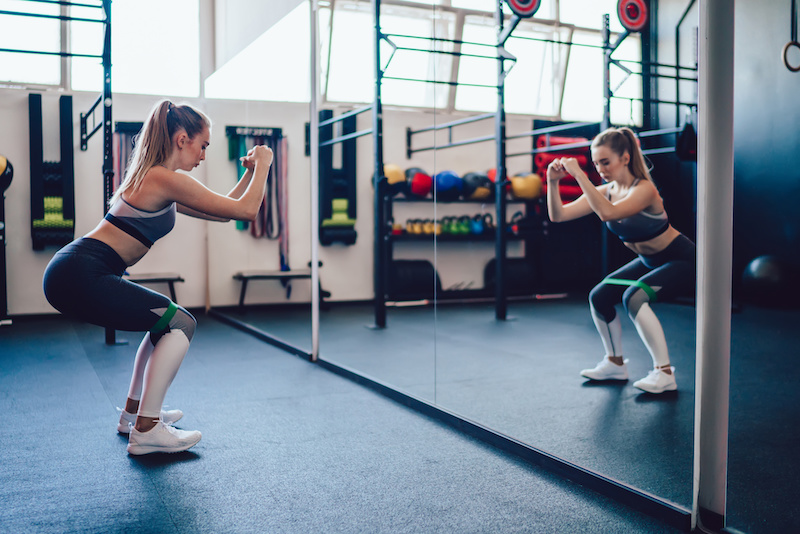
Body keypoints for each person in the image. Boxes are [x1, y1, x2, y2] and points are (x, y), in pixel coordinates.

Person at [43, 100, 273, 454]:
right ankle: (147, 429)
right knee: (181, 323)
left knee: (163, 323)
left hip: (74, 269)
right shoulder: (164, 179)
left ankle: (134, 415)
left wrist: (249, 172)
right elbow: (247, 211)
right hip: (82, 271)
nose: (204, 155)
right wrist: (265, 165)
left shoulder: (157, 179)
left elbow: (226, 211)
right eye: (203, 145)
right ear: (182, 139)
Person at [546, 126, 695, 394]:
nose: (600, 168)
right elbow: (558, 216)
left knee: (634, 298)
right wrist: (553, 181)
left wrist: (579, 173)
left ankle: (665, 373)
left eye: (605, 162)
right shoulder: (605, 192)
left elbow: (607, 214)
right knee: (600, 296)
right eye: (595, 163)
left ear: (625, 158)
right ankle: (615, 364)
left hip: (681, 259)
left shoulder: (645, 190)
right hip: (648, 260)